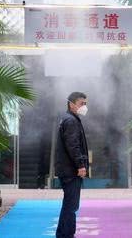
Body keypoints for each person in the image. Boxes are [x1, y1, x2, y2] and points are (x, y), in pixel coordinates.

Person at [55, 92, 89, 238]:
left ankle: (64, 234)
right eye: (82, 103)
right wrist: (81, 165)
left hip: (67, 169)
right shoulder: (71, 121)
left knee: (69, 204)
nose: (84, 107)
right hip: (70, 170)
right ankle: (65, 235)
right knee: (71, 205)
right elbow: (73, 146)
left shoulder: (69, 119)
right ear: (71, 104)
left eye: (85, 104)